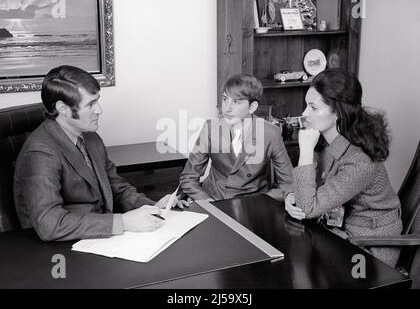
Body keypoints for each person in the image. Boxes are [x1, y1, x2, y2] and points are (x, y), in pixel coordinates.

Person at [14, 65, 188, 242]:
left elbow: (117, 188)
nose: (99, 110)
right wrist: (123, 222)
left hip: (98, 238)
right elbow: (49, 224)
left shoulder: (90, 137)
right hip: (63, 249)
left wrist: (153, 208)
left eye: (97, 101)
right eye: (90, 104)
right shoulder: (40, 153)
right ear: (63, 108)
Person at [286, 68, 402, 267]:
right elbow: (304, 187)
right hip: (334, 231)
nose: (304, 114)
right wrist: (290, 196)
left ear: (338, 112)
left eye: (313, 107)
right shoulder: (324, 140)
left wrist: (305, 152)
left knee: (298, 265)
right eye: (306, 106)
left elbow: (308, 207)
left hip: (368, 247)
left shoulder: (360, 161)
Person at [179, 74, 294, 203]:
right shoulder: (210, 128)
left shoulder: (271, 133)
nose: (227, 108)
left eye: (236, 102)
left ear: (252, 107)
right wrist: (205, 200)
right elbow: (188, 177)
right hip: (215, 200)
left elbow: (288, 183)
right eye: (224, 99)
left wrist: (264, 199)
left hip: (252, 204)